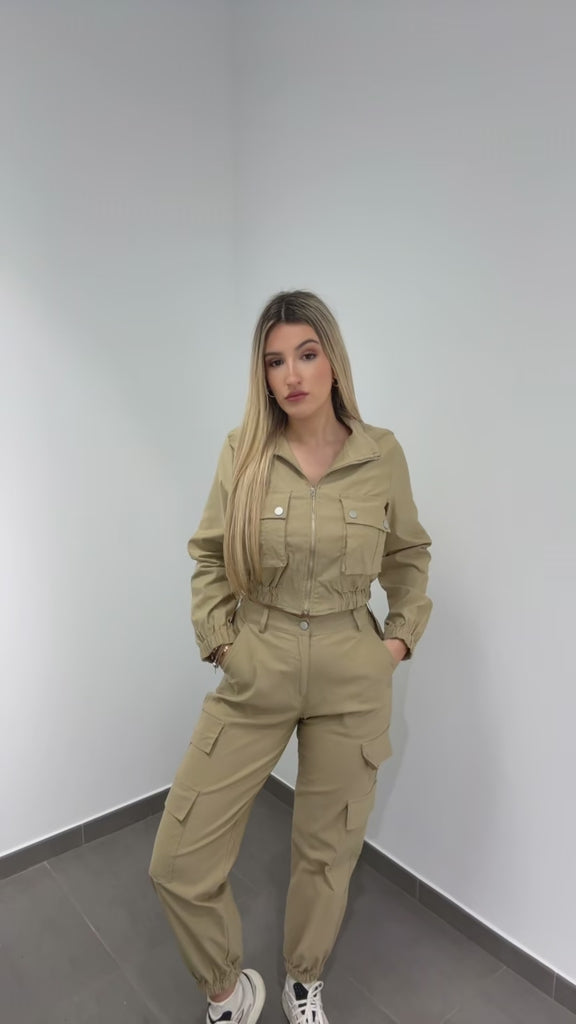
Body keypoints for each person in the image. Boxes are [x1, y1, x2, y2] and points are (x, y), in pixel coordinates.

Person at [149, 289, 432, 1024]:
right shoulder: (243, 452)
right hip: (261, 656)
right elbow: (210, 556)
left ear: (333, 360)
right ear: (263, 374)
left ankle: (304, 981)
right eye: (275, 361)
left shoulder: (381, 454)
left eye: (307, 354)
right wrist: (222, 642)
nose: (292, 374)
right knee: (178, 860)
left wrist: (395, 641)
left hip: (351, 663)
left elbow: (409, 555)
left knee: (326, 851)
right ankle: (230, 992)